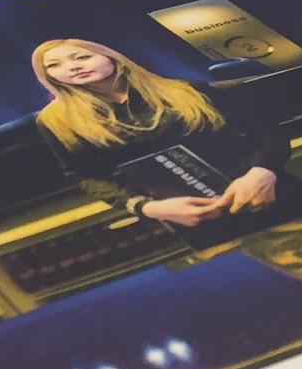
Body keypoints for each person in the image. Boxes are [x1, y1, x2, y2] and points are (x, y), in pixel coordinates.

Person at [32, 38, 286, 229]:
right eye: (54, 65)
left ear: (112, 58)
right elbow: (85, 175)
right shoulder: (56, 121)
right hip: (186, 215)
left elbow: (265, 131)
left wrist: (263, 171)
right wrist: (148, 208)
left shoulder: (187, 89)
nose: (72, 67)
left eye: (82, 57)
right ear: (49, 77)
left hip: (267, 189)